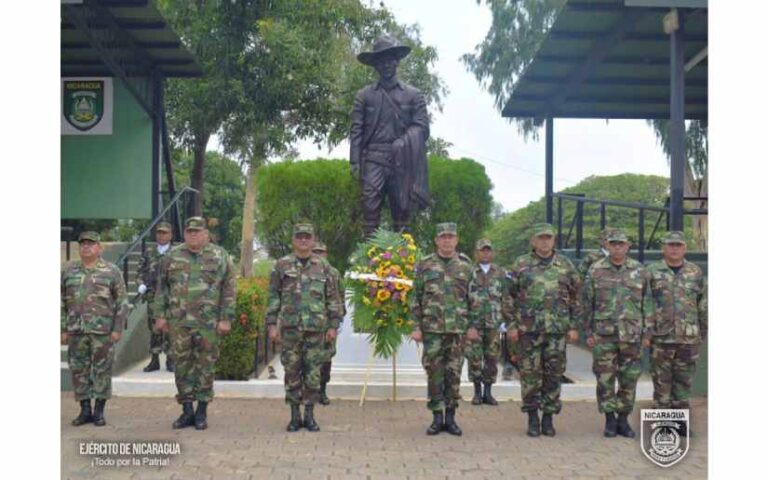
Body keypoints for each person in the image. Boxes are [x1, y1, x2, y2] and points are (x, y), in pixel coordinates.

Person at [153, 217, 235, 430]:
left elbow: (229, 288)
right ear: (184, 234)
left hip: (208, 323)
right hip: (179, 322)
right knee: (182, 366)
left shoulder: (220, 255)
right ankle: (187, 410)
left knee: (206, 366)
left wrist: (226, 318)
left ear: (206, 234)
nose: (193, 235)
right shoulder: (172, 256)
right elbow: (162, 288)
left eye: (197, 231)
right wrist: (160, 315)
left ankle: (202, 411)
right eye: (189, 231)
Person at [507, 223, 582, 437]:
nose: (544, 242)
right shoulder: (521, 264)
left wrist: (574, 325)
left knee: (554, 375)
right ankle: (532, 418)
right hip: (528, 331)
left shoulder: (565, 265)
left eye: (548, 238)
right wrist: (512, 324)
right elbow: (508, 296)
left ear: (553, 240)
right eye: (540, 238)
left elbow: (577, 296)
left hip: (556, 331)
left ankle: (548, 418)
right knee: (530, 376)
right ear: (533, 241)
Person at [266, 224, 343, 432]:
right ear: (293, 240)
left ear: (313, 240)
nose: (303, 240)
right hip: (290, 329)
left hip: (316, 330)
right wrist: (272, 324)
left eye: (307, 237)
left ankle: (309, 415)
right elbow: (273, 297)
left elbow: (333, 299)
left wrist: (333, 325)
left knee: (313, 373)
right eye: (299, 237)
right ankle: (294, 416)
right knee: (291, 372)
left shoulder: (324, 266)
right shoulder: (281, 265)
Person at [350, 36, 430, 235]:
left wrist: (403, 142)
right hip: (373, 158)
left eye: (390, 60)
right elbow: (356, 130)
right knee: (369, 208)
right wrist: (354, 161)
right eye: (381, 61)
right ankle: (369, 252)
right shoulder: (364, 95)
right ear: (375, 65)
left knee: (402, 210)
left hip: (401, 159)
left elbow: (422, 127)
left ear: (397, 61)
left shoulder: (414, 95)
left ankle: (403, 252)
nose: (386, 65)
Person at [583, 228, 654, 438]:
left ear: (628, 246)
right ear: (607, 245)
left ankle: (623, 419)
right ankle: (609, 420)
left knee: (629, 378)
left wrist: (647, 333)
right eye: (613, 244)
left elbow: (648, 303)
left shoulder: (640, 270)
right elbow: (586, 303)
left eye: (621, 244)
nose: (617, 247)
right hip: (603, 334)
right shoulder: (596, 270)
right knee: (604, 378)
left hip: (632, 335)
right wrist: (588, 332)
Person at [410, 222, 478, 436]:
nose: (447, 240)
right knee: (434, 373)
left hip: (458, 330)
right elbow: (415, 297)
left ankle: (451, 417)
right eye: (443, 237)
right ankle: (437, 417)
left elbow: (475, 299)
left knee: (454, 373)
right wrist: (415, 326)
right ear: (436, 240)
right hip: (432, 330)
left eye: (450, 237)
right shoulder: (425, 265)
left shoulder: (466, 266)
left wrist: (473, 326)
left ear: (456, 240)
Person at [61, 231, 128, 427]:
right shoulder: (68, 271)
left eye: (91, 244)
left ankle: (99, 411)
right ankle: (85, 410)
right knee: (79, 371)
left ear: (99, 248)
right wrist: (62, 328)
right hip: (76, 331)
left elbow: (122, 302)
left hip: (103, 332)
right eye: (83, 244)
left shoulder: (111, 271)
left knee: (102, 370)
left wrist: (117, 329)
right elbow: (60, 302)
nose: (86, 247)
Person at [647, 231, 707, 436]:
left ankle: (680, 423)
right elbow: (645, 303)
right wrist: (647, 333)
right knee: (661, 382)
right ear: (663, 248)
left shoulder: (695, 272)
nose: (674, 248)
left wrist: (702, 331)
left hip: (688, 338)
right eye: (670, 245)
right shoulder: (652, 271)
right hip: (661, 337)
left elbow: (703, 304)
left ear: (685, 248)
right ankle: (663, 425)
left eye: (678, 245)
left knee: (683, 382)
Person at [466, 239, 511, 406]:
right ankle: (477, 392)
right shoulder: (469, 272)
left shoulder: (500, 273)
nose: (485, 253)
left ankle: (488, 392)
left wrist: (506, 321)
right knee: (474, 358)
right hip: (474, 324)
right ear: (476, 253)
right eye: (482, 250)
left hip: (494, 323)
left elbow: (506, 297)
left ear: (492, 253)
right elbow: (463, 299)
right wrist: (467, 324)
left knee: (492, 358)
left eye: (488, 250)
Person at [312, 241, 347, 406]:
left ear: (326, 254)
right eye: (315, 252)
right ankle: (309, 391)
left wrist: (337, 319)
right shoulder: (305, 271)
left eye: (321, 252)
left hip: (327, 323)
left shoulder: (333, 273)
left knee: (326, 358)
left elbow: (340, 295)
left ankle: (322, 390)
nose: (318, 255)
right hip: (309, 323)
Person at [138, 221, 175, 372]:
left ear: (170, 235)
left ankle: (171, 360)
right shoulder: (149, 252)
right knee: (154, 328)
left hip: (171, 297)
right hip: (153, 296)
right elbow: (140, 271)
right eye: (159, 233)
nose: (161, 235)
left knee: (170, 327)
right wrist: (140, 284)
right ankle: (154, 360)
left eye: (164, 233)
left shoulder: (176, 253)